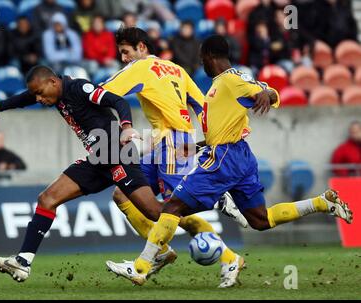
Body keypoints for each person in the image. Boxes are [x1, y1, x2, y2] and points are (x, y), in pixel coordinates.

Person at [127, 35, 353, 287]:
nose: (201, 62)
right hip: (240, 155)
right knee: (260, 220)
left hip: (224, 158)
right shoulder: (231, 79)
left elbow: (266, 92)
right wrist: (198, 146)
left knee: (172, 208)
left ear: (210, 57)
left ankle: (140, 268)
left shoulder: (229, 81)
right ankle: (321, 203)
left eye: (202, 58)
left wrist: (267, 93)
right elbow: (256, 96)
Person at [0, 65, 177, 282]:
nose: (38, 98)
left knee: (154, 211)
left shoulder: (79, 88)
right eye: (35, 94)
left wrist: (126, 127)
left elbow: (118, 101)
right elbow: (23, 99)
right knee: (47, 199)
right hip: (97, 161)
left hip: (119, 154)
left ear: (53, 82)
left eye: (40, 92)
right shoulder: (53, 94)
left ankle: (198, 205)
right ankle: (22, 263)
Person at [98, 27, 247, 288]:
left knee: (173, 208)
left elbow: (102, 92)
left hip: (174, 144)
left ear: (141, 48)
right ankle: (162, 252)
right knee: (123, 194)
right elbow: (204, 107)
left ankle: (227, 251)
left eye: (125, 52)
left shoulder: (140, 68)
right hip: (167, 144)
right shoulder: (177, 69)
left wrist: (73, 92)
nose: (123, 58)